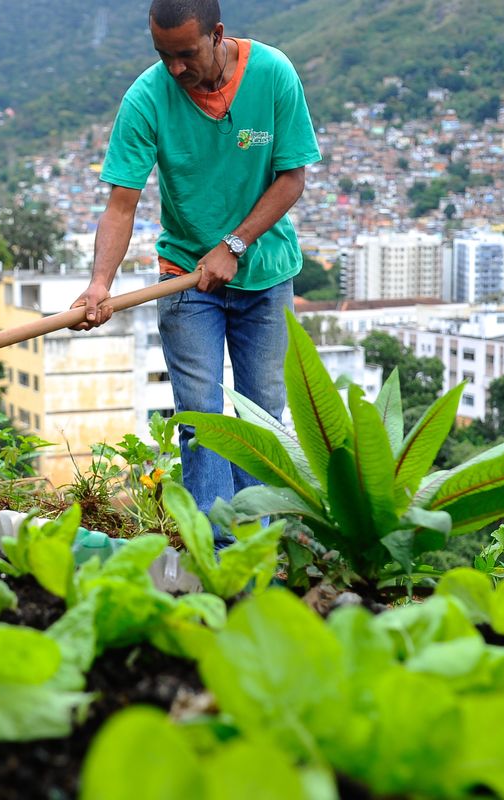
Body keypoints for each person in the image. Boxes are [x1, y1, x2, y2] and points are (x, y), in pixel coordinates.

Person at [71, 0, 320, 545]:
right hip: (185, 277)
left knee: (259, 420)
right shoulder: (147, 97)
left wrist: (234, 244)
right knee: (201, 416)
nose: (175, 69)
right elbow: (121, 203)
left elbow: (292, 178)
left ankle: (258, 543)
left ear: (217, 35)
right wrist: (99, 285)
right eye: (164, 56)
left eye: (186, 55)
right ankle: (216, 548)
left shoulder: (273, 75)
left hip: (266, 273)